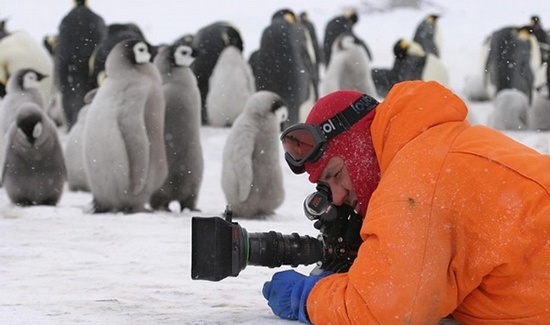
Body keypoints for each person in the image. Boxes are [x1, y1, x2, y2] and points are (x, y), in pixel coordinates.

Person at [262, 80, 550, 324]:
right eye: (325, 187)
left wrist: (309, 297)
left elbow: (384, 309)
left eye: (336, 174)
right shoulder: (434, 145)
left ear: (359, 144)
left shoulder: (415, 177)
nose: (337, 197)